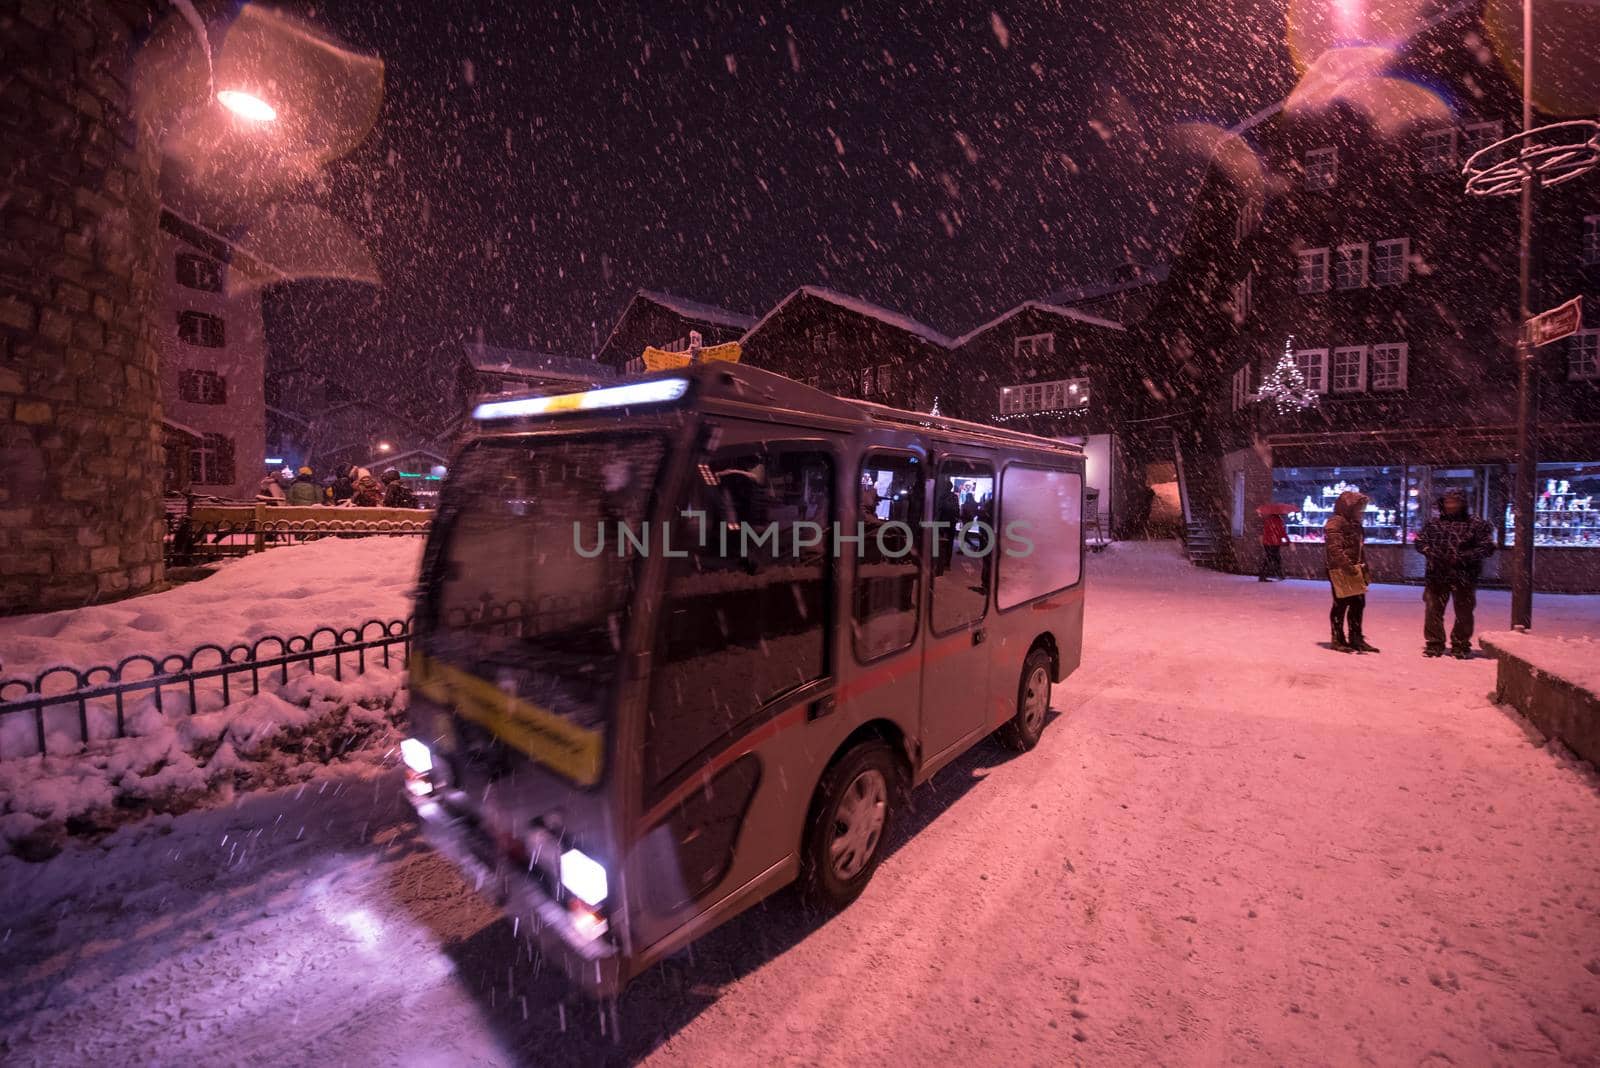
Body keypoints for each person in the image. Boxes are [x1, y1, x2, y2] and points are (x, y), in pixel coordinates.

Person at [1415, 489, 1496, 658]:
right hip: (1437, 574)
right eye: (1448, 502)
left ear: (1463, 503)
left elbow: (1487, 547)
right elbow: (1420, 541)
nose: (1451, 505)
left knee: (1464, 612)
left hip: (1464, 575)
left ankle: (1460, 643)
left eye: (1455, 502)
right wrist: (1431, 552)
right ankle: (1435, 642)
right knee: (1433, 610)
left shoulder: (1476, 524)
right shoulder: (1434, 524)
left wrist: (1464, 558)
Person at [1324, 489, 1377, 652]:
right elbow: (1334, 549)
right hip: (1340, 570)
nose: (1361, 512)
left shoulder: (1355, 524)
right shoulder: (1336, 523)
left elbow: (1360, 549)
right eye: (1359, 508)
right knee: (1341, 604)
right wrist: (1346, 565)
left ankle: (1356, 638)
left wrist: (1364, 568)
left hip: (1354, 569)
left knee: (1358, 603)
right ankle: (1338, 638)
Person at [1258, 510, 1288, 581]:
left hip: (1267, 543)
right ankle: (1278, 574)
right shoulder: (1278, 521)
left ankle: (1265, 575)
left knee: (1269, 558)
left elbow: (1266, 531)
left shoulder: (1268, 520)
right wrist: (1287, 541)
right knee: (1276, 559)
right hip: (1274, 543)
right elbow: (1282, 532)